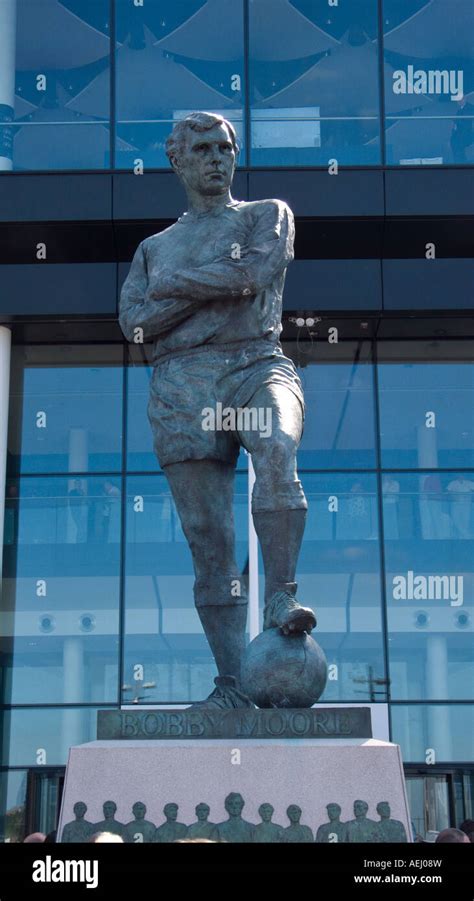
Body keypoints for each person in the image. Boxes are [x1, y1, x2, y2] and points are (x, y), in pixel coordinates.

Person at [119, 111, 315, 709]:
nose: (217, 158)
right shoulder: (154, 248)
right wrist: (208, 285)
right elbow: (135, 326)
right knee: (209, 541)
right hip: (182, 390)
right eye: (202, 148)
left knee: (277, 446)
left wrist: (174, 290)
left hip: (254, 366)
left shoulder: (266, 215)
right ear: (177, 160)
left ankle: (281, 595)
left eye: (225, 147)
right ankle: (233, 684)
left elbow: (254, 274)